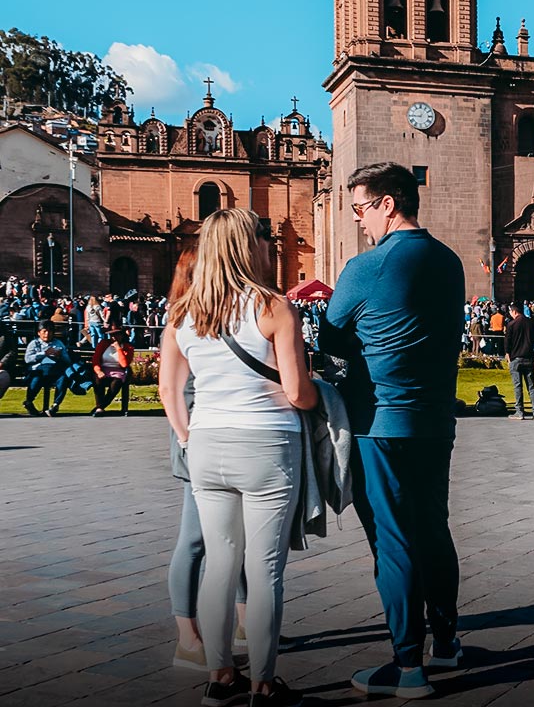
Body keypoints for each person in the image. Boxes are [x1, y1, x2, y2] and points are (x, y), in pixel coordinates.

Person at [319, 162, 465, 700]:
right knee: (434, 529)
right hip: (434, 421)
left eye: (360, 208)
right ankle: (446, 642)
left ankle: (408, 667)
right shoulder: (449, 261)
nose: (358, 220)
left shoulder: (367, 266)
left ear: (388, 203)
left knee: (393, 540)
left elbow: (329, 341)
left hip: (378, 424)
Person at [160, 208, 317, 707]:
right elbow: (297, 392)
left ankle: (219, 675)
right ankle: (264, 682)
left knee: (220, 565)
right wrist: (318, 393)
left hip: (206, 442)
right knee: (265, 567)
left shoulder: (183, 313)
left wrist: (187, 437)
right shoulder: (272, 307)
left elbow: (171, 391)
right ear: (249, 246)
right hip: (266, 443)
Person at [163, 243, 250, 674]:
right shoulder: (182, 319)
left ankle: (247, 622)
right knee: (196, 538)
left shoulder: (227, 311)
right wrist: (184, 438)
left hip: (223, 436)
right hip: (196, 434)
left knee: (240, 535)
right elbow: (170, 389)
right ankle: (187, 637)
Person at [504, 301, 534, 421]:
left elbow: (507, 342)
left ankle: (519, 412)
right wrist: (533, 352)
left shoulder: (511, 325)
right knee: (531, 386)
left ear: (514, 311)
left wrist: (507, 354)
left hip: (516, 358)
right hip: (528, 358)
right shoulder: (531, 323)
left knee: (518, 386)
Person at [23, 320, 71, 416]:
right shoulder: (34, 343)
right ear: (39, 332)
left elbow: (68, 360)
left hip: (54, 371)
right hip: (38, 370)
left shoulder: (58, 343)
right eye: (44, 331)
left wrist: (60, 355)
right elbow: (28, 359)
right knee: (36, 378)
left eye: (50, 331)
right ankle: (29, 402)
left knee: (63, 379)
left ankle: (55, 405)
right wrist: (44, 353)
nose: (47, 334)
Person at [91, 324, 135, 416]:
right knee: (98, 380)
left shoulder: (128, 347)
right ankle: (99, 407)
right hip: (104, 369)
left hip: (118, 371)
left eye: (117, 335)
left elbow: (124, 364)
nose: (114, 337)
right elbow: (96, 359)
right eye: (112, 335)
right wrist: (98, 371)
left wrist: (118, 348)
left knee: (116, 384)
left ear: (122, 335)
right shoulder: (103, 343)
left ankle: (100, 407)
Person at [0, 321, 17, 400]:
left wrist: (2, 362)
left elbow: (12, 352)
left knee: (3, 377)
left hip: (3, 369)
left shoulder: (6, 336)